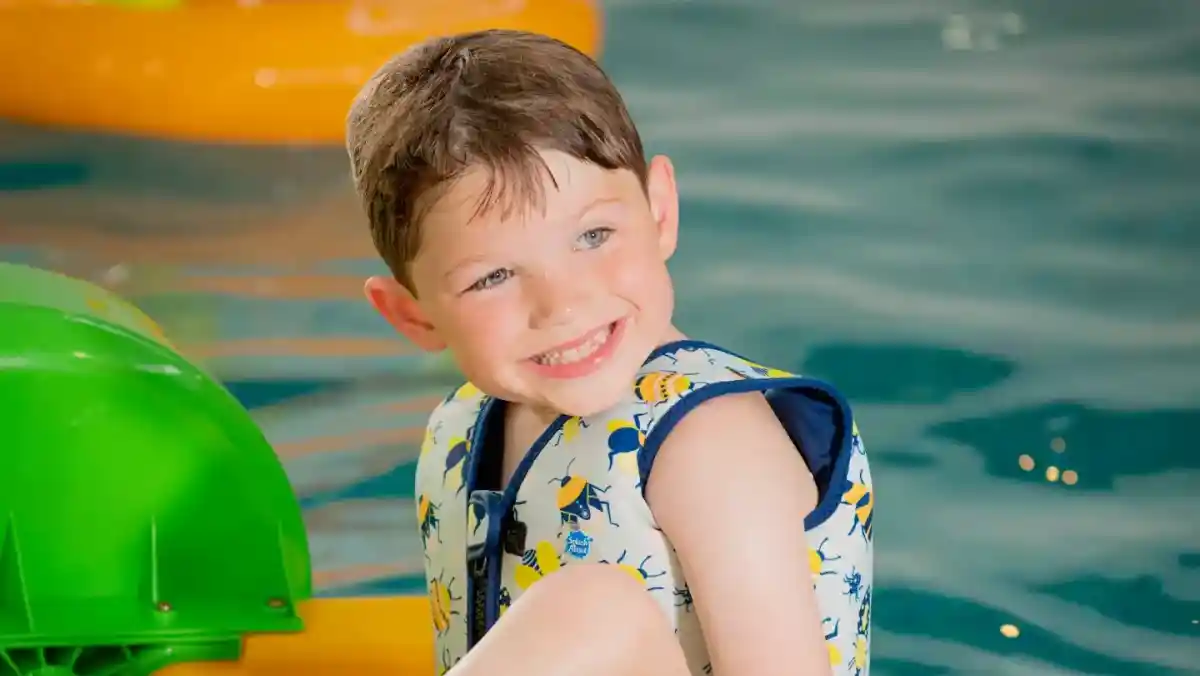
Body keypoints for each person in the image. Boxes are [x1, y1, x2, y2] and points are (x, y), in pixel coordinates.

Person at [345, 29, 874, 676]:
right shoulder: (463, 428)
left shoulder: (710, 444)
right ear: (412, 315)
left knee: (596, 610)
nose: (561, 305)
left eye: (593, 235)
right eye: (493, 277)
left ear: (659, 214)